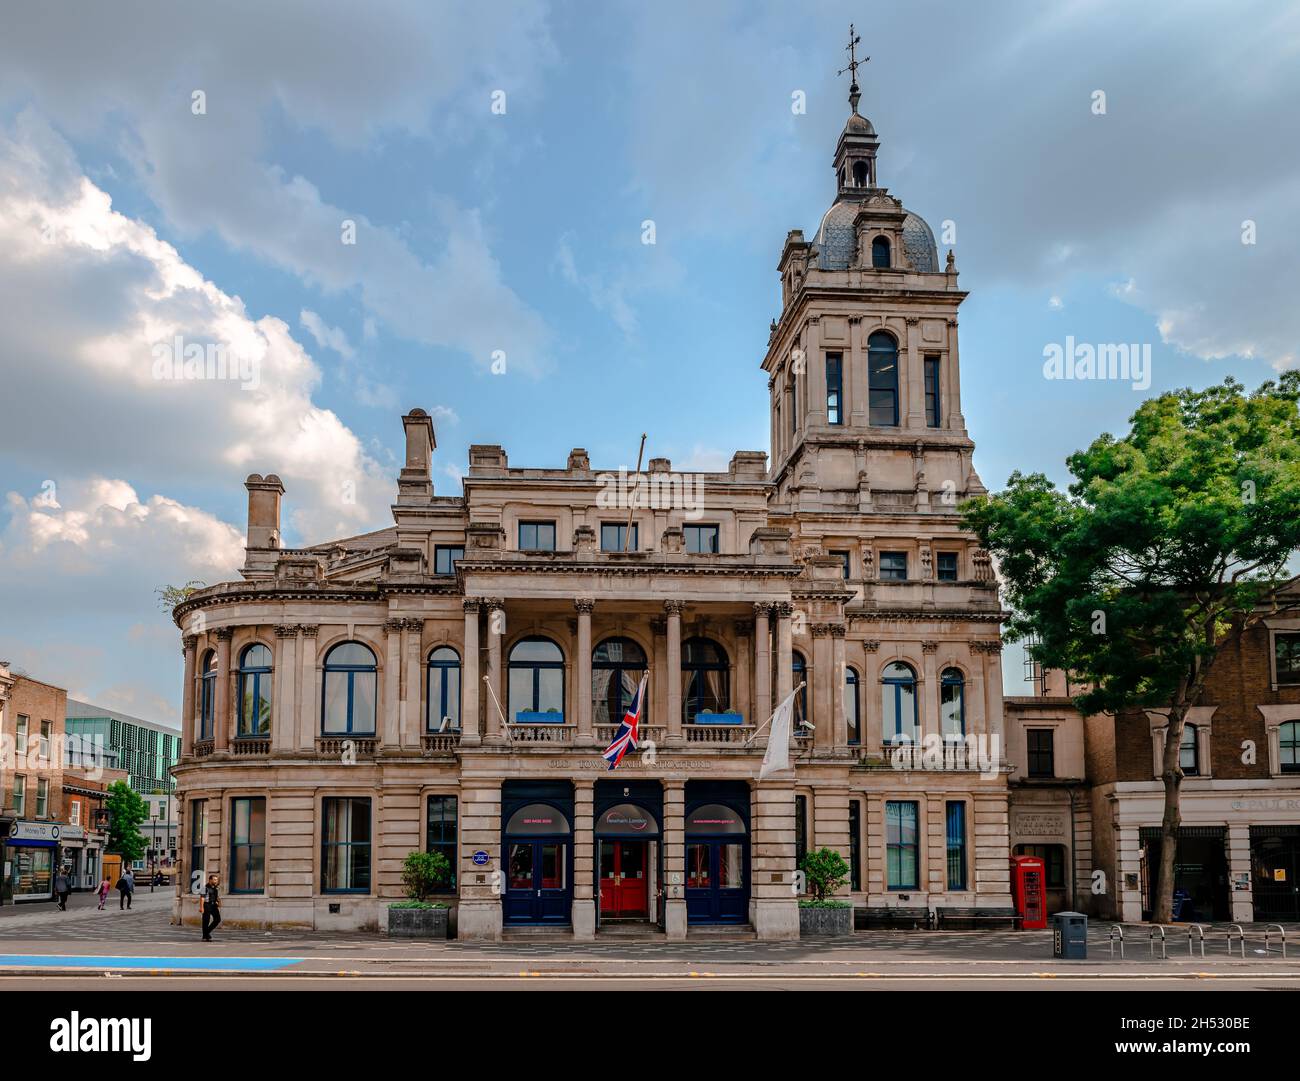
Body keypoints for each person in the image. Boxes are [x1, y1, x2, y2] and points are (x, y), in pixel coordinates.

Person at [200, 873, 221, 942]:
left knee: (217, 919)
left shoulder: (215, 888)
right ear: (210, 880)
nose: (216, 881)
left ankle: (207, 933)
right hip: (207, 905)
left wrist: (219, 902)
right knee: (206, 921)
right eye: (214, 880)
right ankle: (205, 936)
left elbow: (216, 896)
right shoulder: (205, 888)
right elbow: (202, 898)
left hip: (213, 905)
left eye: (216, 880)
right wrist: (201, 907)